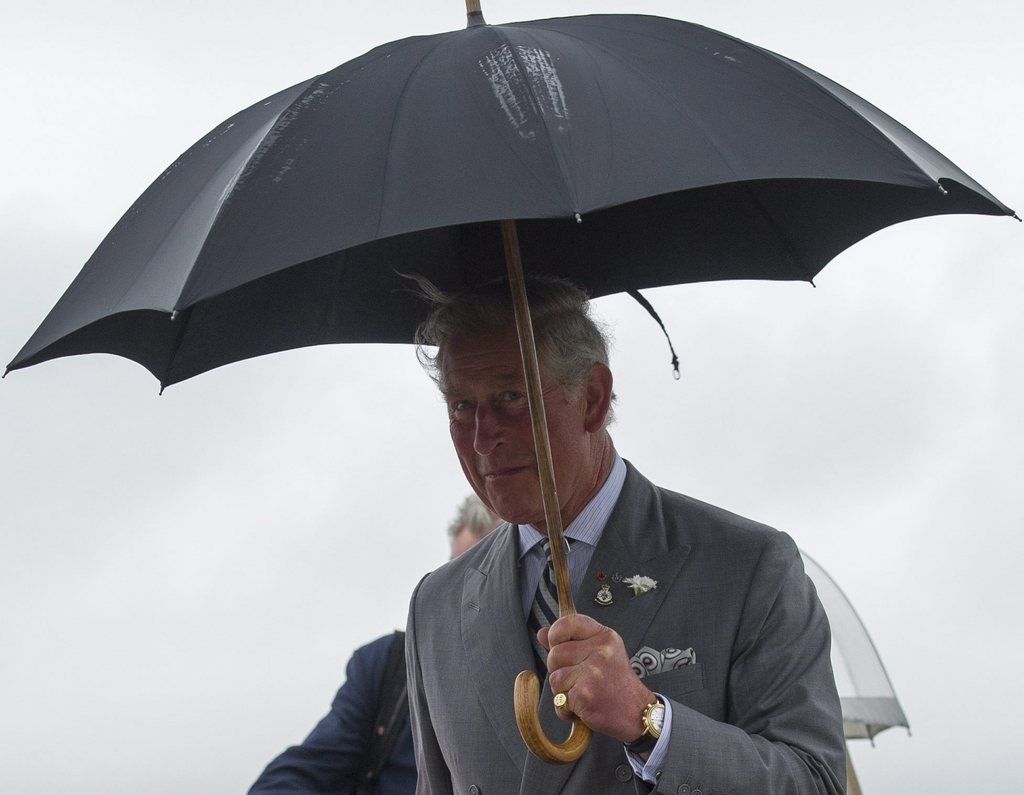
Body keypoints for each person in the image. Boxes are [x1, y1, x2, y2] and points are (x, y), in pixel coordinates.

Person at [405, 276, 846, 794]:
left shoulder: (747, 566)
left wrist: (650, 720)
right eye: (461, 405)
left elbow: (815, 784)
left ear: (593, 397)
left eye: (511, 395)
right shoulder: (435, 605)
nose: (483, 437)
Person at [249, 496, 498, 794]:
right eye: (458, 575)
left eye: (486, 578)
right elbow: (310, 767)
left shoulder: (552, 665)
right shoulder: (386, 667)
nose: (468, 596)